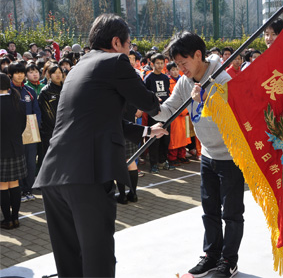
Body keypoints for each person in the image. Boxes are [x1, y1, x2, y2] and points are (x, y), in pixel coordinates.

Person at [32, 14, 167, 278]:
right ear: (117, 42)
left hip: (55, 177)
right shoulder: (115, 61)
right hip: (87, 176)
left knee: (69, 260)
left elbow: (102, 119)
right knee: (98, 259)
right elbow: (150, 103)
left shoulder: (79, 67)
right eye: (129, 46)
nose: (130, 52)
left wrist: (146, 131)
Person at [155, 31, 244, 278]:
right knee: (209, 209)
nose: (181, 68)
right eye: (178, 64)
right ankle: (211, 255)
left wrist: (205, 100)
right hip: (207, 155)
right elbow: (169, 109)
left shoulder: (222, 78)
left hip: (231, 157)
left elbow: (233, 117)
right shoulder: (185, 81)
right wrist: (149, 106)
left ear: (197, 55)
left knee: (232, 213)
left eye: (184, 63)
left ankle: (229, 261)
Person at [9, 62, 41, 203]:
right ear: (10, 75)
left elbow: (37, 111)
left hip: (30, 131)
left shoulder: (30, 91)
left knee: (30, 162)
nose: (20, 75)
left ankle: (28, 189)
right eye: (17, 73)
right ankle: (20, 190)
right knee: (17, 162)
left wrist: (36, 127)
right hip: (14, 134)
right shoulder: (7, 91)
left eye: (22, 72)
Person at [0, 73, 27, 229]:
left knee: (3, 186)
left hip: (1, 149)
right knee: (15, 184)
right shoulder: (19, 102)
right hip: (16, 147)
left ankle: (7, 219)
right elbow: (23, 126)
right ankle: (15, 219)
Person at [143, 53, 172, 172]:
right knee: (154, 138)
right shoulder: (148, 78)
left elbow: (167, 93)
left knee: (165, 138)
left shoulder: (166, 78)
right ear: (152, 64)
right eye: (157, 63)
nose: (160, 65)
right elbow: (145, 94)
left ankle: (162, 161)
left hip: (166, 111)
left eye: (162, 63)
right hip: (154, 112)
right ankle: (153, 163)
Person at [37, 63, 64, 169]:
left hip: (65, 129)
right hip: (50, 131)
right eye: (54, 73)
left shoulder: (66, 88)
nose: (57, 75)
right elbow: (47, 113)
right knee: (49, 160)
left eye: (59, 72)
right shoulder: (45, 92)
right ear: (49, 75)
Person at [166, 61, 191, 167]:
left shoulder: (183, 80)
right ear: (169, 71)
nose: (175, 72)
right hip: (175, 114)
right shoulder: (168, 82)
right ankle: (172, 157)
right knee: (175, 137)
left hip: (184, 113)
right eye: (173, 70)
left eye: (176, 69)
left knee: (184, 136)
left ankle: (182, 155)